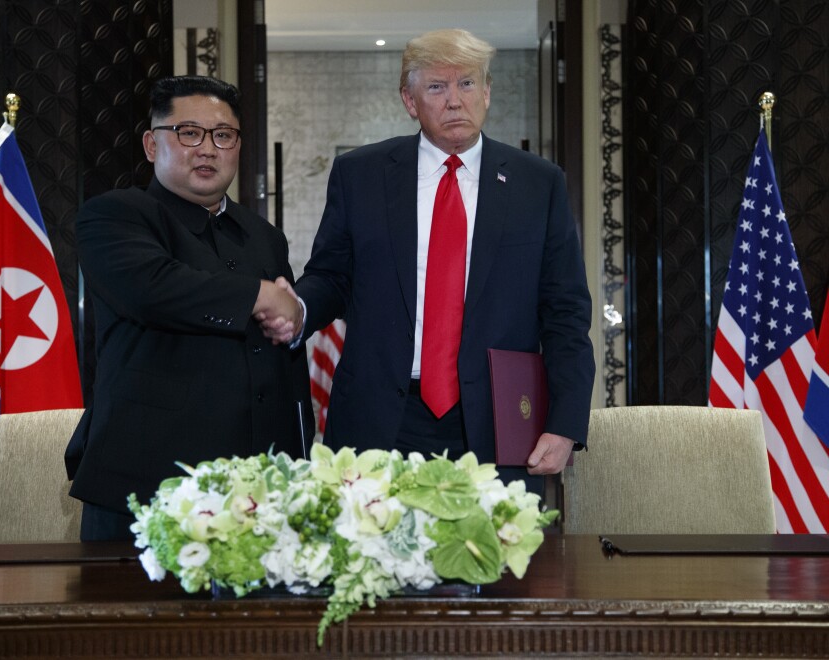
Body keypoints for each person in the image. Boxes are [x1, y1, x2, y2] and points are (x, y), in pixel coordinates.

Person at [261, 29, 594, 493]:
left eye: (467, 84)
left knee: (497, 563)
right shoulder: (361, 174)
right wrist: (298, 309)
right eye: (437, 87)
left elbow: (566, 314)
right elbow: (332, 277)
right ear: (410, 100)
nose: (454, 100)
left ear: (488, 92)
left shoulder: (539, 184)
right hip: (380, 419)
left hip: (496, 423)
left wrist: (565, 424)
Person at [66, 75, 314, 541]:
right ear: (150, 144)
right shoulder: (115, 215)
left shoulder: (264, 236)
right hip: (147, 488)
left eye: (223, 136)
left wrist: (294, 317)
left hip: (261, 488)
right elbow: (155, 289)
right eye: (189, 133)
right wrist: (261, 296)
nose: (207, 149)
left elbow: (282, 347)